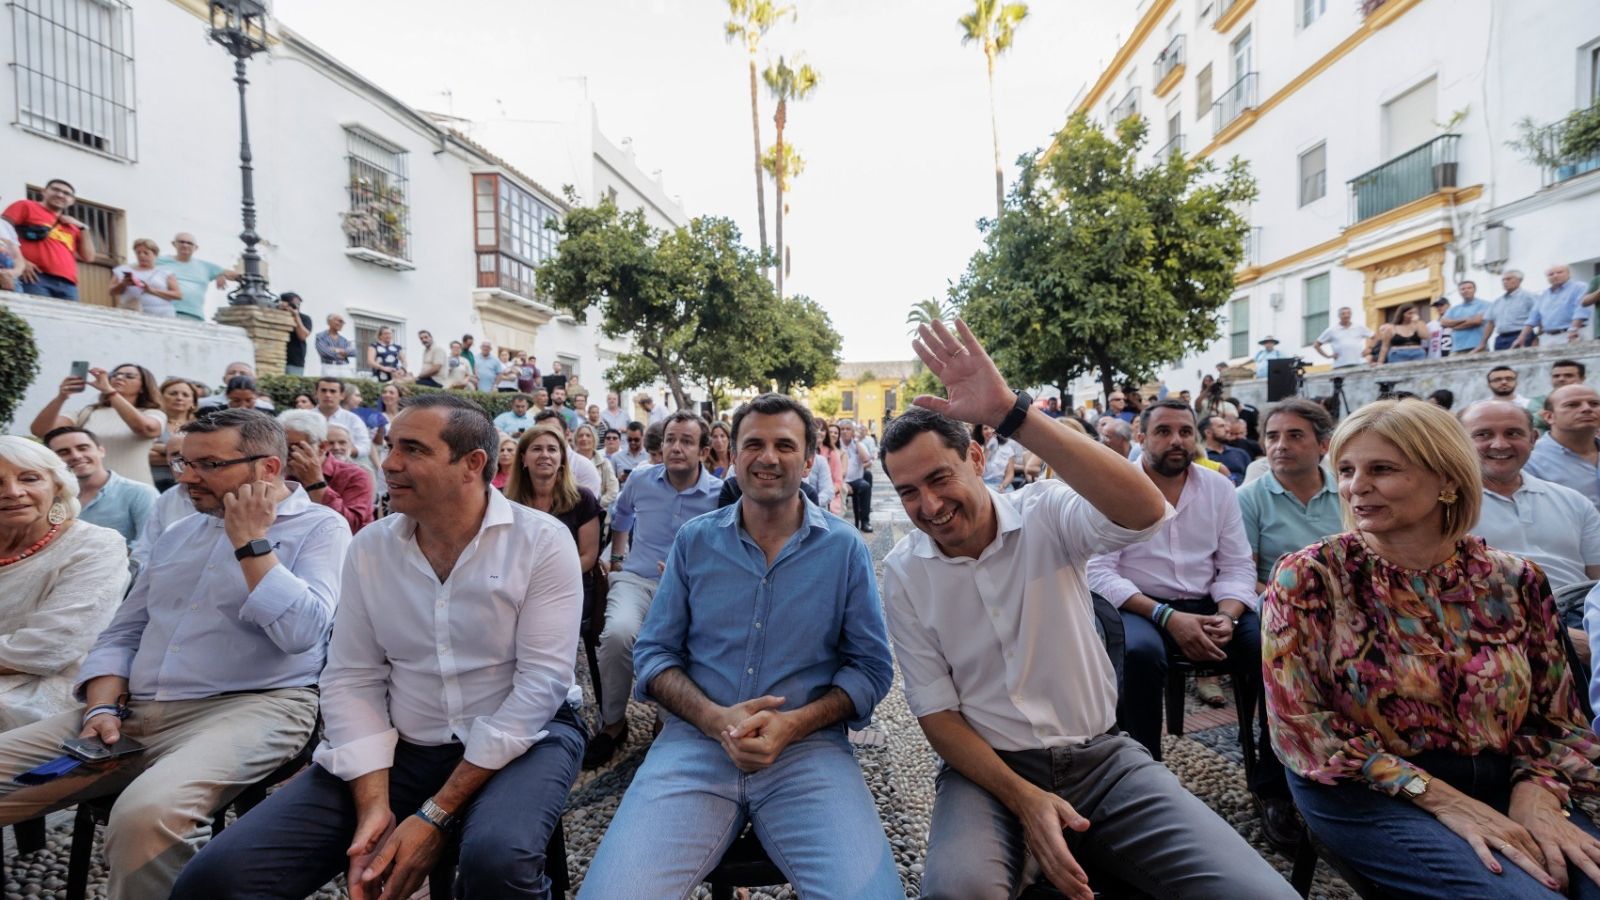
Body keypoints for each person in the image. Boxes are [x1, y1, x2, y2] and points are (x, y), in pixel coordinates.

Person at [881, 321, 1296, 900]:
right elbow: (937, 714)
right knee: (957, 891)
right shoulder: (904, 571)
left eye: (939, 477)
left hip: (1103, 757)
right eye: (907, 491)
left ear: (976, 457)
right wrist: (1024, 799)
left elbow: (1144, 511)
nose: (929, 505)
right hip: (990, 774)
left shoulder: (1046, 511)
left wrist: (1011, 411)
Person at [173, 396, 583, 900]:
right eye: (390, 446)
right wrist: (374, 806)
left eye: (412, 449)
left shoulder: (541, 540)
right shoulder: (371, 545)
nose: (388, 463)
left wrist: (435, 814)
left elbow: (541, 685)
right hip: (404, 741)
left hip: (525, 739)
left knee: (496, 862)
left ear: (472, 464)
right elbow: (352, 676)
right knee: (214, 880)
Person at [0, 409, 348, 900]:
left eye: (207, 464)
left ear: (268, 469)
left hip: (254, 705)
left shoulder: (321, 527)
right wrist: (101, 706)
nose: (185, 477)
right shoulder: (181, 533)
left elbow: (302, 634)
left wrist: (250, 541)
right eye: (183, 462)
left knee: (147, 816)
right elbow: (123, 634)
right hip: (133, 710)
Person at [1264, 398, 1600, 898]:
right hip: (1365, 789)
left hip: (1504, 773)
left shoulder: (1515, 579)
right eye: (1348, 470)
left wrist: (1538, 793)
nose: (1356, 487)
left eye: (1382, 469)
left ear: (1447, 479)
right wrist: (1443, 800)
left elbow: (1558, 718)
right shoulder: (1312, 574)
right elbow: (1305, 732)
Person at [581, 394, 900, 898]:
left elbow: (871, 669)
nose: (768, 457)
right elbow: (654, 654)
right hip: (693, 750)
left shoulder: (844, 550)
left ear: (811, 458)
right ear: (731, 454)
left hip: (809, 755)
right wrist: (713, 718)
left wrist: (794, 723)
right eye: (753, 443)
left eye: (784, 445)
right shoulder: (694, 542)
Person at [1086, 400, 1283, 808]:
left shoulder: (1218, 488)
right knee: (1139, 653)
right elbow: (1099, 573)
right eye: (1163, 431)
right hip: (1139, 603)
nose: (1176, 441)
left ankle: (1275, 785)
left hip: (1211, 602)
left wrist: (1228, 615)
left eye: (1185, 431)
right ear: (1140, 437)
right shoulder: (1113, 484)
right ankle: (1144, 782)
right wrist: (1166, 616)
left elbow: (1235, 564)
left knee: (1272, 648)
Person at [588, 412, 722, 769]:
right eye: (670, 439)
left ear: (704, 452)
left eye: (686, 441)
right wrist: (618, 559)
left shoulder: (720, 495)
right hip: (638, 579)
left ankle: (667, 722)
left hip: (689, 589)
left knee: (682, 648)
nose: (676, 447)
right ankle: (613, 723)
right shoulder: (641, 480)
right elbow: (621, 518)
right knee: (617, 635)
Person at [0, 437, 129, 731]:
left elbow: (48, 648)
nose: (13, 492)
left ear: (58, 486)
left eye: (30, 478)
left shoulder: (96, 546)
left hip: (44, 688)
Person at [1462, 400, 1600, 599]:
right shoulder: (1443, 505)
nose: (1500, 444)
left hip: (1579, 614)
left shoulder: (1574, 501)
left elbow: (1597, 576)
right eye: (1483, 434)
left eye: (1513, 433)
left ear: (1533, 439)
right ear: (1458, 441)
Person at [1236, 399, 1341, 594]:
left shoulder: (1348, 493)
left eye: (1295, 436)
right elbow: (1243, 576)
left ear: (1324, 445)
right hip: (1278, 608)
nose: (1281, 445)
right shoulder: (1246, 499)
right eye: (1272, 437)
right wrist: (1291, 603)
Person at [30, 363, 165, 486]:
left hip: (135, 489)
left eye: (129, 376)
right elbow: (41, 431)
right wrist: (62, 396)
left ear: (143, 387)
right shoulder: (87, 412)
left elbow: (146, 429)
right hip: (88, 490)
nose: (119, 377)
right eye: (115, 375)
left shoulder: (152, 413)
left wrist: (110, 392)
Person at [506, 423, 602, 578]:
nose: (545, 455)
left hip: (569, 585)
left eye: (552, 449)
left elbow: (588, 557)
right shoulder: (508, 502)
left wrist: (546, 580)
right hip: (519, 585)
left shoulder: (583, 499)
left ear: (562, 458)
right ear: (523, 458)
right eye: (537, 449)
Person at [44, 426, 157, 551]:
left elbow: (149, 545)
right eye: (63, 452)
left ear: (101, 451)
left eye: (83, 448)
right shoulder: (47, 500)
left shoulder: (140, 493)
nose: (76, 456)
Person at [277, 410, 374, 534]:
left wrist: (315, 483)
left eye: (294, 448)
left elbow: (351, 526)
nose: (285, 455)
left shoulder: (354, 475)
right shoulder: (280, 474)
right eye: (281, 447)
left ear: (322, 447)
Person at [1, 178, 96, 300]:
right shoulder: (26, 206)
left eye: (66, 193)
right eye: (55, 189)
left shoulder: (72, 225)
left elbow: (89, 257)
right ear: (44, 191)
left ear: (72, 201)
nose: (60, 194)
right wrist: (21, 262)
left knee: (68, 319)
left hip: (68, 283)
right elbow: (3, 233)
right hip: (35, 277)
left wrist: (84, 228)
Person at [1525, 384, 1600, 513]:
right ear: (1549, 416)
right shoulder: (1530, 459)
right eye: (1572, 405)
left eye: (1594, 404)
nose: (1587, 409)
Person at [156, 233, 236, 322]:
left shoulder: (205, 266)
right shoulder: (159, 261)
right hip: (165, 312)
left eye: (189, 243)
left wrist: (221, 274)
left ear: (196, 248)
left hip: (195, 315)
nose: (185, 245)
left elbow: (234, 274)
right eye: (181, 242)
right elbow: (139, 271)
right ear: (174, 244)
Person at [1518, 264, 1590, 347]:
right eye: (1550, 274)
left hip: (1571, 334)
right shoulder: (1544, 295)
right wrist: (1521, 337)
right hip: (1547, 337)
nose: (1555, 276)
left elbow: (1581, 310)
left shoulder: (1580, 287)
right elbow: (1533, 318)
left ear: (1569, 274)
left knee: (1573, 360)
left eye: (1559, 272)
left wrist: (1573, 329)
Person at [108, 238, 181, 316]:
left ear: (155, 255)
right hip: (132, 312)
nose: (141, 256)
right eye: (138, 253)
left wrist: (151, 290)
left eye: (146, 253)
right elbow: (111, 291)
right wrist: (123, 284)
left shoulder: (165, 273)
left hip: (162, 314)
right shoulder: (122, 270)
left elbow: (177, 295)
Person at [151, 377, 198, 491]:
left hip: (191, 485)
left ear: (193, 402)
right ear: (160, 397)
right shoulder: (152, 422)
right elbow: (143, 455)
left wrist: (162, 449)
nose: (179, 398)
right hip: (154, 483)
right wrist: (185, 455)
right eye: (173, 393)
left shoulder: (200, 427)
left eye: (185, 395)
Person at [313, 377, 372, 459]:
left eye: (333, 391)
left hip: (345, 467)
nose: (328, 395)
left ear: (342, 395)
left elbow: (365, 447)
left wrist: (342, 451)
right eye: (323, 390)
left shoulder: (353, 419)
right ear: (316, 394)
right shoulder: (304, 418)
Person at [1482, 270, 1539, 351]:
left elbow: (1540, 315)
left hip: (1522, 336)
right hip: (1501, 339)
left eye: (1508, 279)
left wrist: (1537, 337)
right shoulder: (1497, 302)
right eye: (1503, 280)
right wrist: (1483, 343)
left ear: (1519, 280)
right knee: (1501, 363)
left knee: (1522, 362)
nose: (1505, 282)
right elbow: (1490, 323)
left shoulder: (1529, 297)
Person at [1531, 359, 1588, 435]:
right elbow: (1531, 422)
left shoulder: (1595, 400)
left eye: (1568, 375)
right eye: (1556, 376)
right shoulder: (1538, 402)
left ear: (1582, 379)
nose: (1561, 379)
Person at [573, 423, 620, 513]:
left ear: (594, 440)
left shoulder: (604, 463)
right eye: (580, 435)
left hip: (597, 511)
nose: (584, 438)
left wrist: (597, 504)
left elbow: (613, 489)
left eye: (588, 435)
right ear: (575, 440)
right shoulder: (568, 462)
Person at [839, 419, 875, 532]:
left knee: (865, 486)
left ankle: (865, 521)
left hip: (856, 480)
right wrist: (842, 483)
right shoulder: (836, 444)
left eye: (848, 429)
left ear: (853, 432)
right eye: (842, 429)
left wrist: (857, 441)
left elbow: (866, 459)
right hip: (840, 480)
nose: (845, 432)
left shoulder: (858, 444)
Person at [1441, 281, 1491, 355]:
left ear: (1475, 290)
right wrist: (1465, 319)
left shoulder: (1485, 304)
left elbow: (1476, 321)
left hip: (1478, 347)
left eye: (1469, 288)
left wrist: (1454, 326)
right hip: (1456, 348)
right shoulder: (1454, 309)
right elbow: (1443, 322)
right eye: (1463, 289)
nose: (1466, 290)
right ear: (1459, 292)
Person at [1199, 414, 1249, 486]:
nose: (1227, 429)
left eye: (1226, 426)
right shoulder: (1200, 457)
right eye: (1221, 426)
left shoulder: (1241, 453)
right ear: (1208, 433)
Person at [278, 293, 313, 376]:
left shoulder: (304, 318)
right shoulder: (277, 315)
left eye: (298, 304)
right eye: (294, 303)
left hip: (294, 361)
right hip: (275, 358)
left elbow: (302, 336)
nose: (296, 306)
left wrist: (296, 316)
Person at [817, 419, 846, 514]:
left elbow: (838, 481)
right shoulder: (803, 451)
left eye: (822, 430)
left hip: (828, 496)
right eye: (815, 429)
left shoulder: (832, 453)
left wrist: (826, 494)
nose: (818, 432)